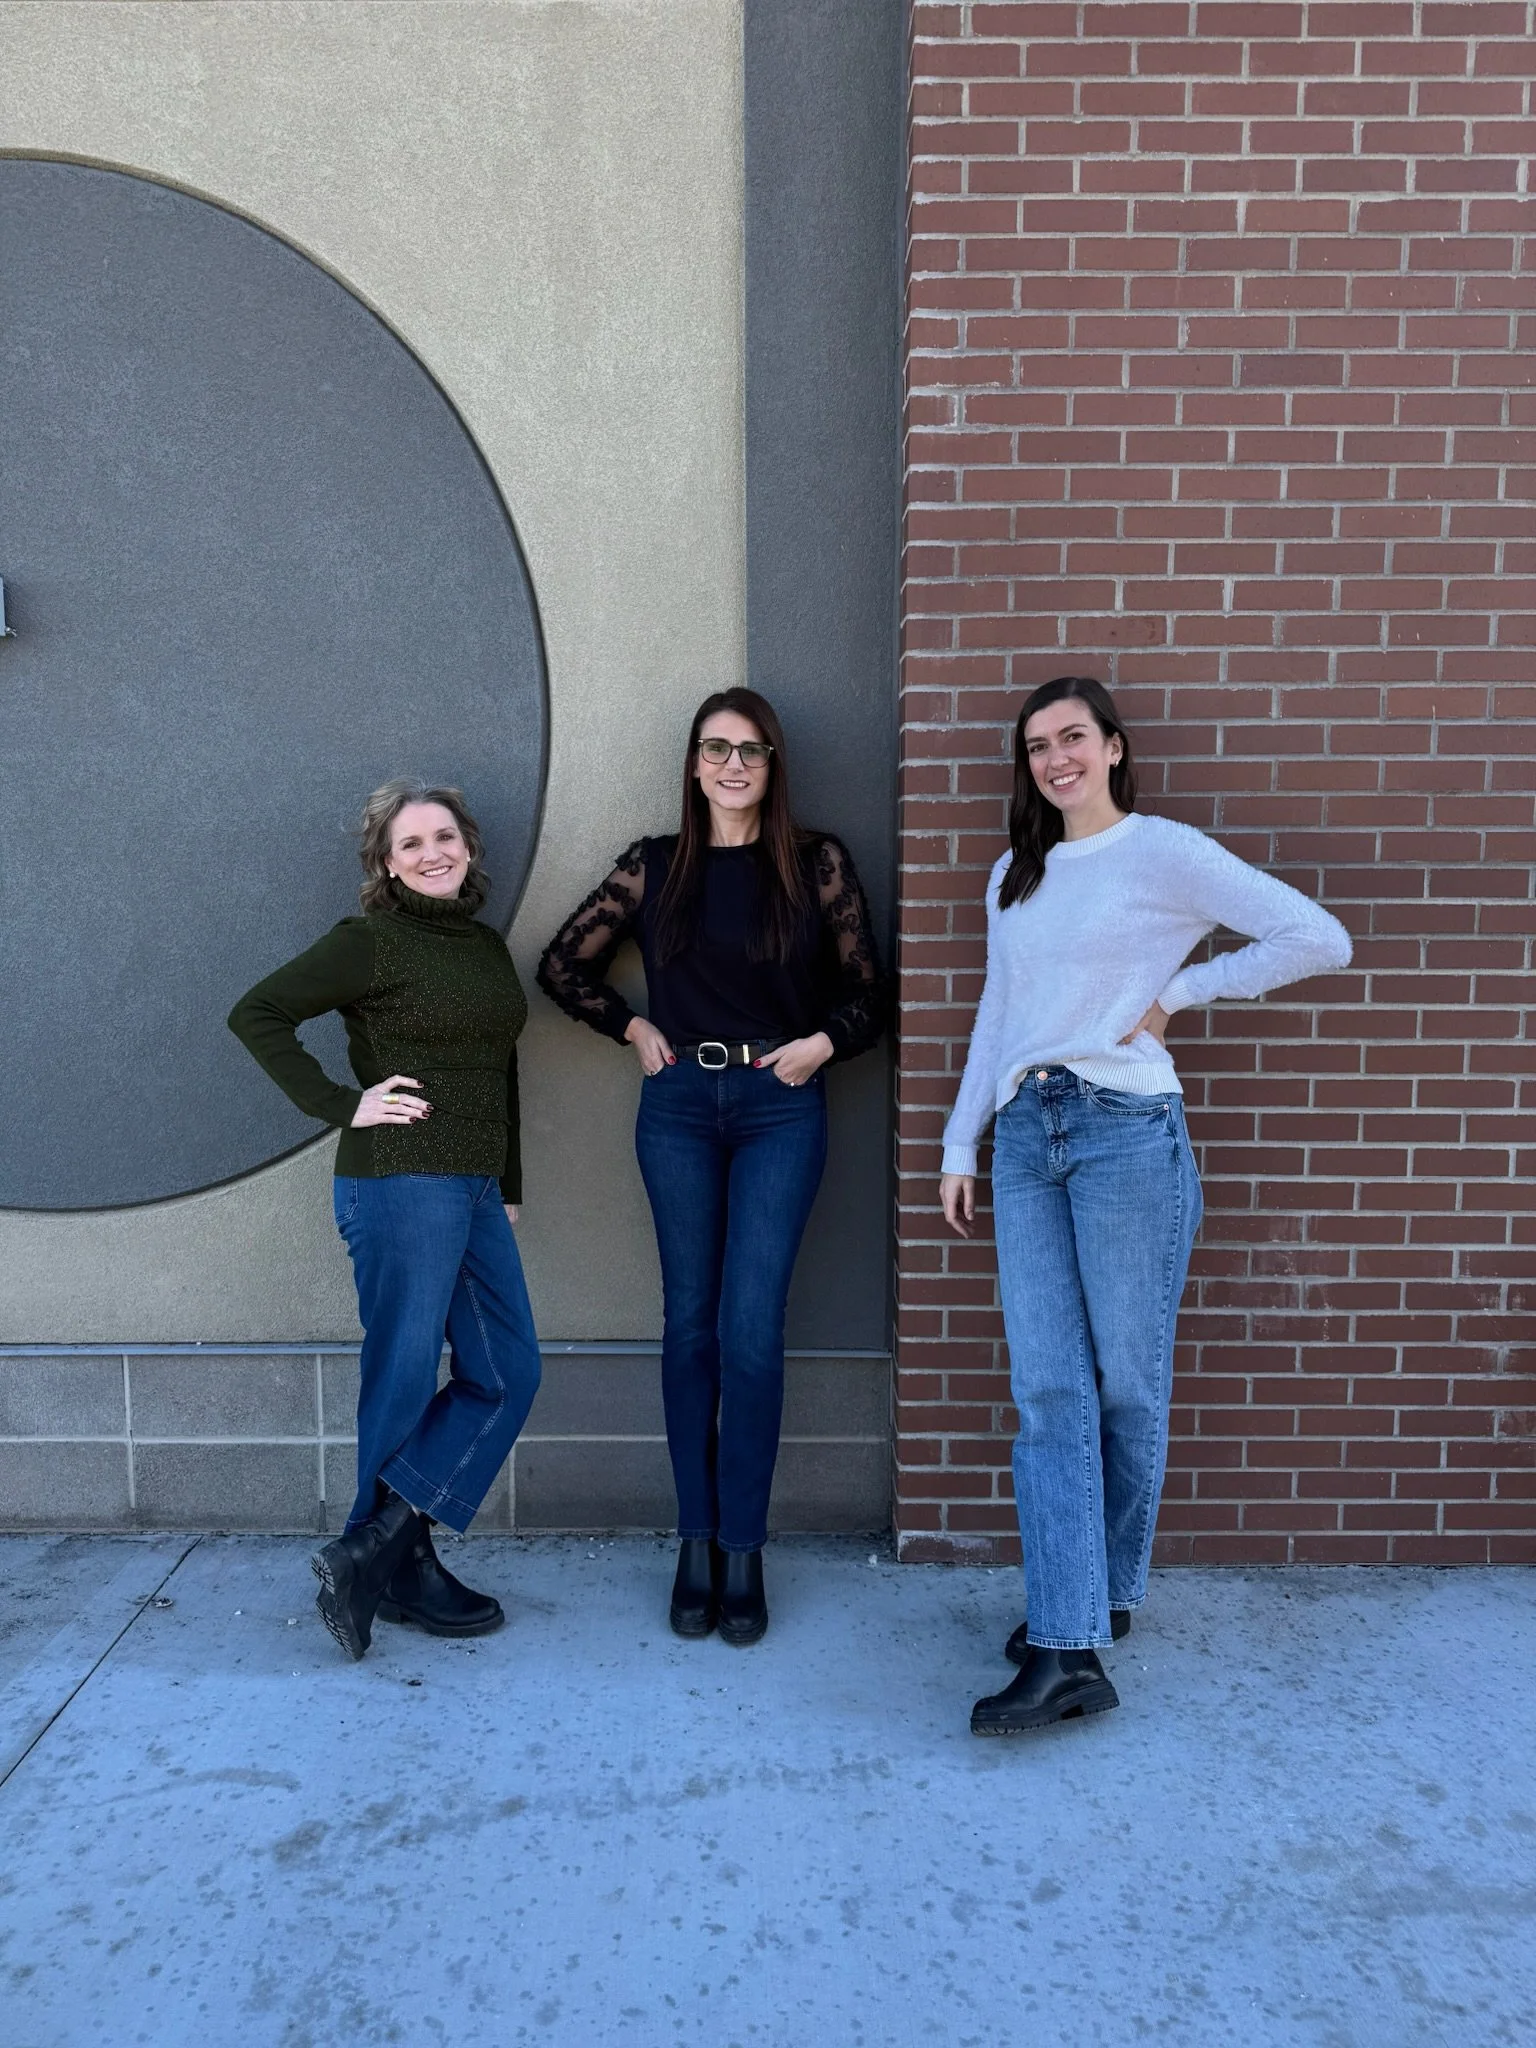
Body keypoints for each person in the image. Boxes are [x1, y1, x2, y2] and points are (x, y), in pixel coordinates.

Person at [941, 677, 1352, 1736]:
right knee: (1049, 1392)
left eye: (1073, 737)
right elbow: (998, 1009)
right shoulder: (1014, 873)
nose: (1055, 758)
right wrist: (960, 1140)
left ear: (1114, 747)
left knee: (1126, 1386)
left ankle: (1095, 1604)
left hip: (1125, 1133)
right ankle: (1070, 1637)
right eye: (1037, 745)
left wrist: (1179, 994)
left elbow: (1317, 936)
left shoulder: (1161, 851)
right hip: (1027, 1137)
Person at [538, 687, 885, 1645]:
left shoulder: (816, 863)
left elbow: (870, 992)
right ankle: (694, 1542)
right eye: (717, 749)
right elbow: (561, 965)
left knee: (751, 1331)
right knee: (689, 1324)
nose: (734, 765)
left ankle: (744, 1547)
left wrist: (820, 1044)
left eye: (752, 750)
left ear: (774, 764)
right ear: (694, 764)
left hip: (781, 1107)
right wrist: (631, 1026)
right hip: (680, 1107)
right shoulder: (654, 867)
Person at [228, 779, 540, 1661]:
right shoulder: (367, 941)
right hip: (400, 1181)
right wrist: (344, 1103)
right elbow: (258, 1013)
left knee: (508, 1371)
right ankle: (400, 1567)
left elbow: (500, 1068)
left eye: (445, 836)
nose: (432, 853)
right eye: (411, 844)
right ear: (386, 864)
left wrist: (509, 1180)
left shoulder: (484, 946)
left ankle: (374, 1552)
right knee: (402, 1375)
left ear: (469, 847)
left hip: (473, 1186)